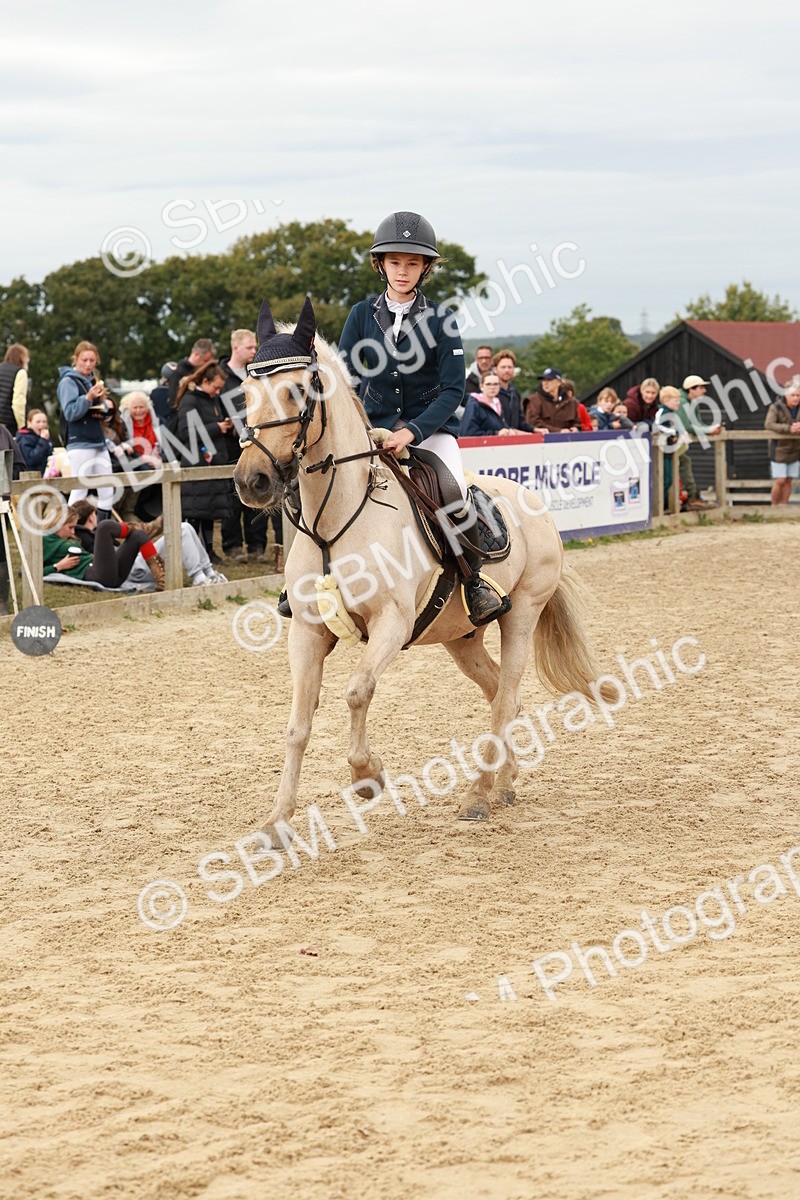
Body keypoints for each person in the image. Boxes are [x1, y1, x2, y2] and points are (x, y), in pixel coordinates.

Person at [337, 210, 511, 626]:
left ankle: (474, 581)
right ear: (381, 264)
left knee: (453, 495)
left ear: (425, 268)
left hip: (430, 433)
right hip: (371, 431)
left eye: (412, 263)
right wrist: (365, 429)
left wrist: (413, 431)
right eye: (395, 262)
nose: (403, 271)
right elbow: (344, 378)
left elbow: (454, 389)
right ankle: (304, 576)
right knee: (322, 482)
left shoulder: (441, 320)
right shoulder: (361, 315)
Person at [70, 500, 226, 587]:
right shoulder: (88, 538)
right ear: (91, 517)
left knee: (186, 527)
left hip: (134, 558)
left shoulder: (94, 534)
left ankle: (209, 572)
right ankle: (198, 576)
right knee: (182, 529)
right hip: (132, 567)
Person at [173, 361, 236, 562]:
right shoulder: (189, 400)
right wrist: (217, 428)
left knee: (210, 512)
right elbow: (186, 433)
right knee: (195, 515)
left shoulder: (212, 399)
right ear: (205, 381)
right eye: (215, 387)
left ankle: (208, 551)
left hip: (213, 463)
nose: (218, 392)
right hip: (196, 464)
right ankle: (194, 553)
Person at [218, 329, 271, 564]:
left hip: (257, 441)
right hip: (230, 444)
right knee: (232, 495)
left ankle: (257, 545)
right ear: (236, 347)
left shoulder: (259, 373)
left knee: (258, 489)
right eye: (250, 347)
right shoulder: (220, 376)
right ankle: (232, 546)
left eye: (255, 347)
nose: (254, 351)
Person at [57, 341, 116, 518]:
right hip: (80, 442)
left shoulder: (94, 381)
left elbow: (99, 410)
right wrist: (88, 398)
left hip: (98, 440)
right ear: (76, 359)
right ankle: (68, 530)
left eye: (92, 360)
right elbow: (70, 413)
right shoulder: (68, 382)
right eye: (84, 360)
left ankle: (104, 533)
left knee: (107, 488)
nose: (88, 364)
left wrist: (104, 409)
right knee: (80, 490)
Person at [42, 506, 166, 590]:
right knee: (104, 527)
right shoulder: (44, 540)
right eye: (70, 527)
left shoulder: (64, 538)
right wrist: (58, 566)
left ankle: (162, 581)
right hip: (96, 576)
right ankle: (141, 527)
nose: (73, 531)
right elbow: (25, 573)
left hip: (110, 575)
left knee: (138, 536)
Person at [765, 377, 800, 505]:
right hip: (779, 448)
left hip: (795, 448)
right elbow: (769, 424)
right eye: (793, 395)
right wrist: (789, 429)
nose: (796, 398)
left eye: (798, 395)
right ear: (786, 395)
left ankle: (784, 506)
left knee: (789, 480)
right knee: (780, 480)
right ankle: (774, 507)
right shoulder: (776, 408)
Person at [524, 368, 581, 433]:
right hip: (543, 441)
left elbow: (579, 421)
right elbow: (533, 423)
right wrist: (559, 431)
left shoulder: (572, 402)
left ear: (559, 382)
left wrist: (575, 428)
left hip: (569, 441)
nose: (545, 383)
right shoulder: (534, 401)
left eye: (549, 380)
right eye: (543, 380)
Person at [167, 339, 216, 410]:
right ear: (196, 354)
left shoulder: (205, 372)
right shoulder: (178, 375)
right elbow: (174, 403)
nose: (206, 365)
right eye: (205, 361)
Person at [493, 350, 530, 431]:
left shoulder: (515, 393)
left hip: (514, 440)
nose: (507, 370)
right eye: (503, 367)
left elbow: (521, 422)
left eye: (510, 367)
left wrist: (535, 429)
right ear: (495, 369)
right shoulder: (490, 394)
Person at [0, 343, 30, 436]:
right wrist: (22, 425)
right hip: (8, 424)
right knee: (8, 450)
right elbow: (18, 401)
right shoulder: (20, 372)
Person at [16, 409, 54, 473]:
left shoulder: (44, 437)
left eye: (44, 422)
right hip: (30, 475)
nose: (41, 425)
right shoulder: (24, 438)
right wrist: (43, 441)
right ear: (29, 423)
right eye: (38, 422)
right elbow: (30, 460)